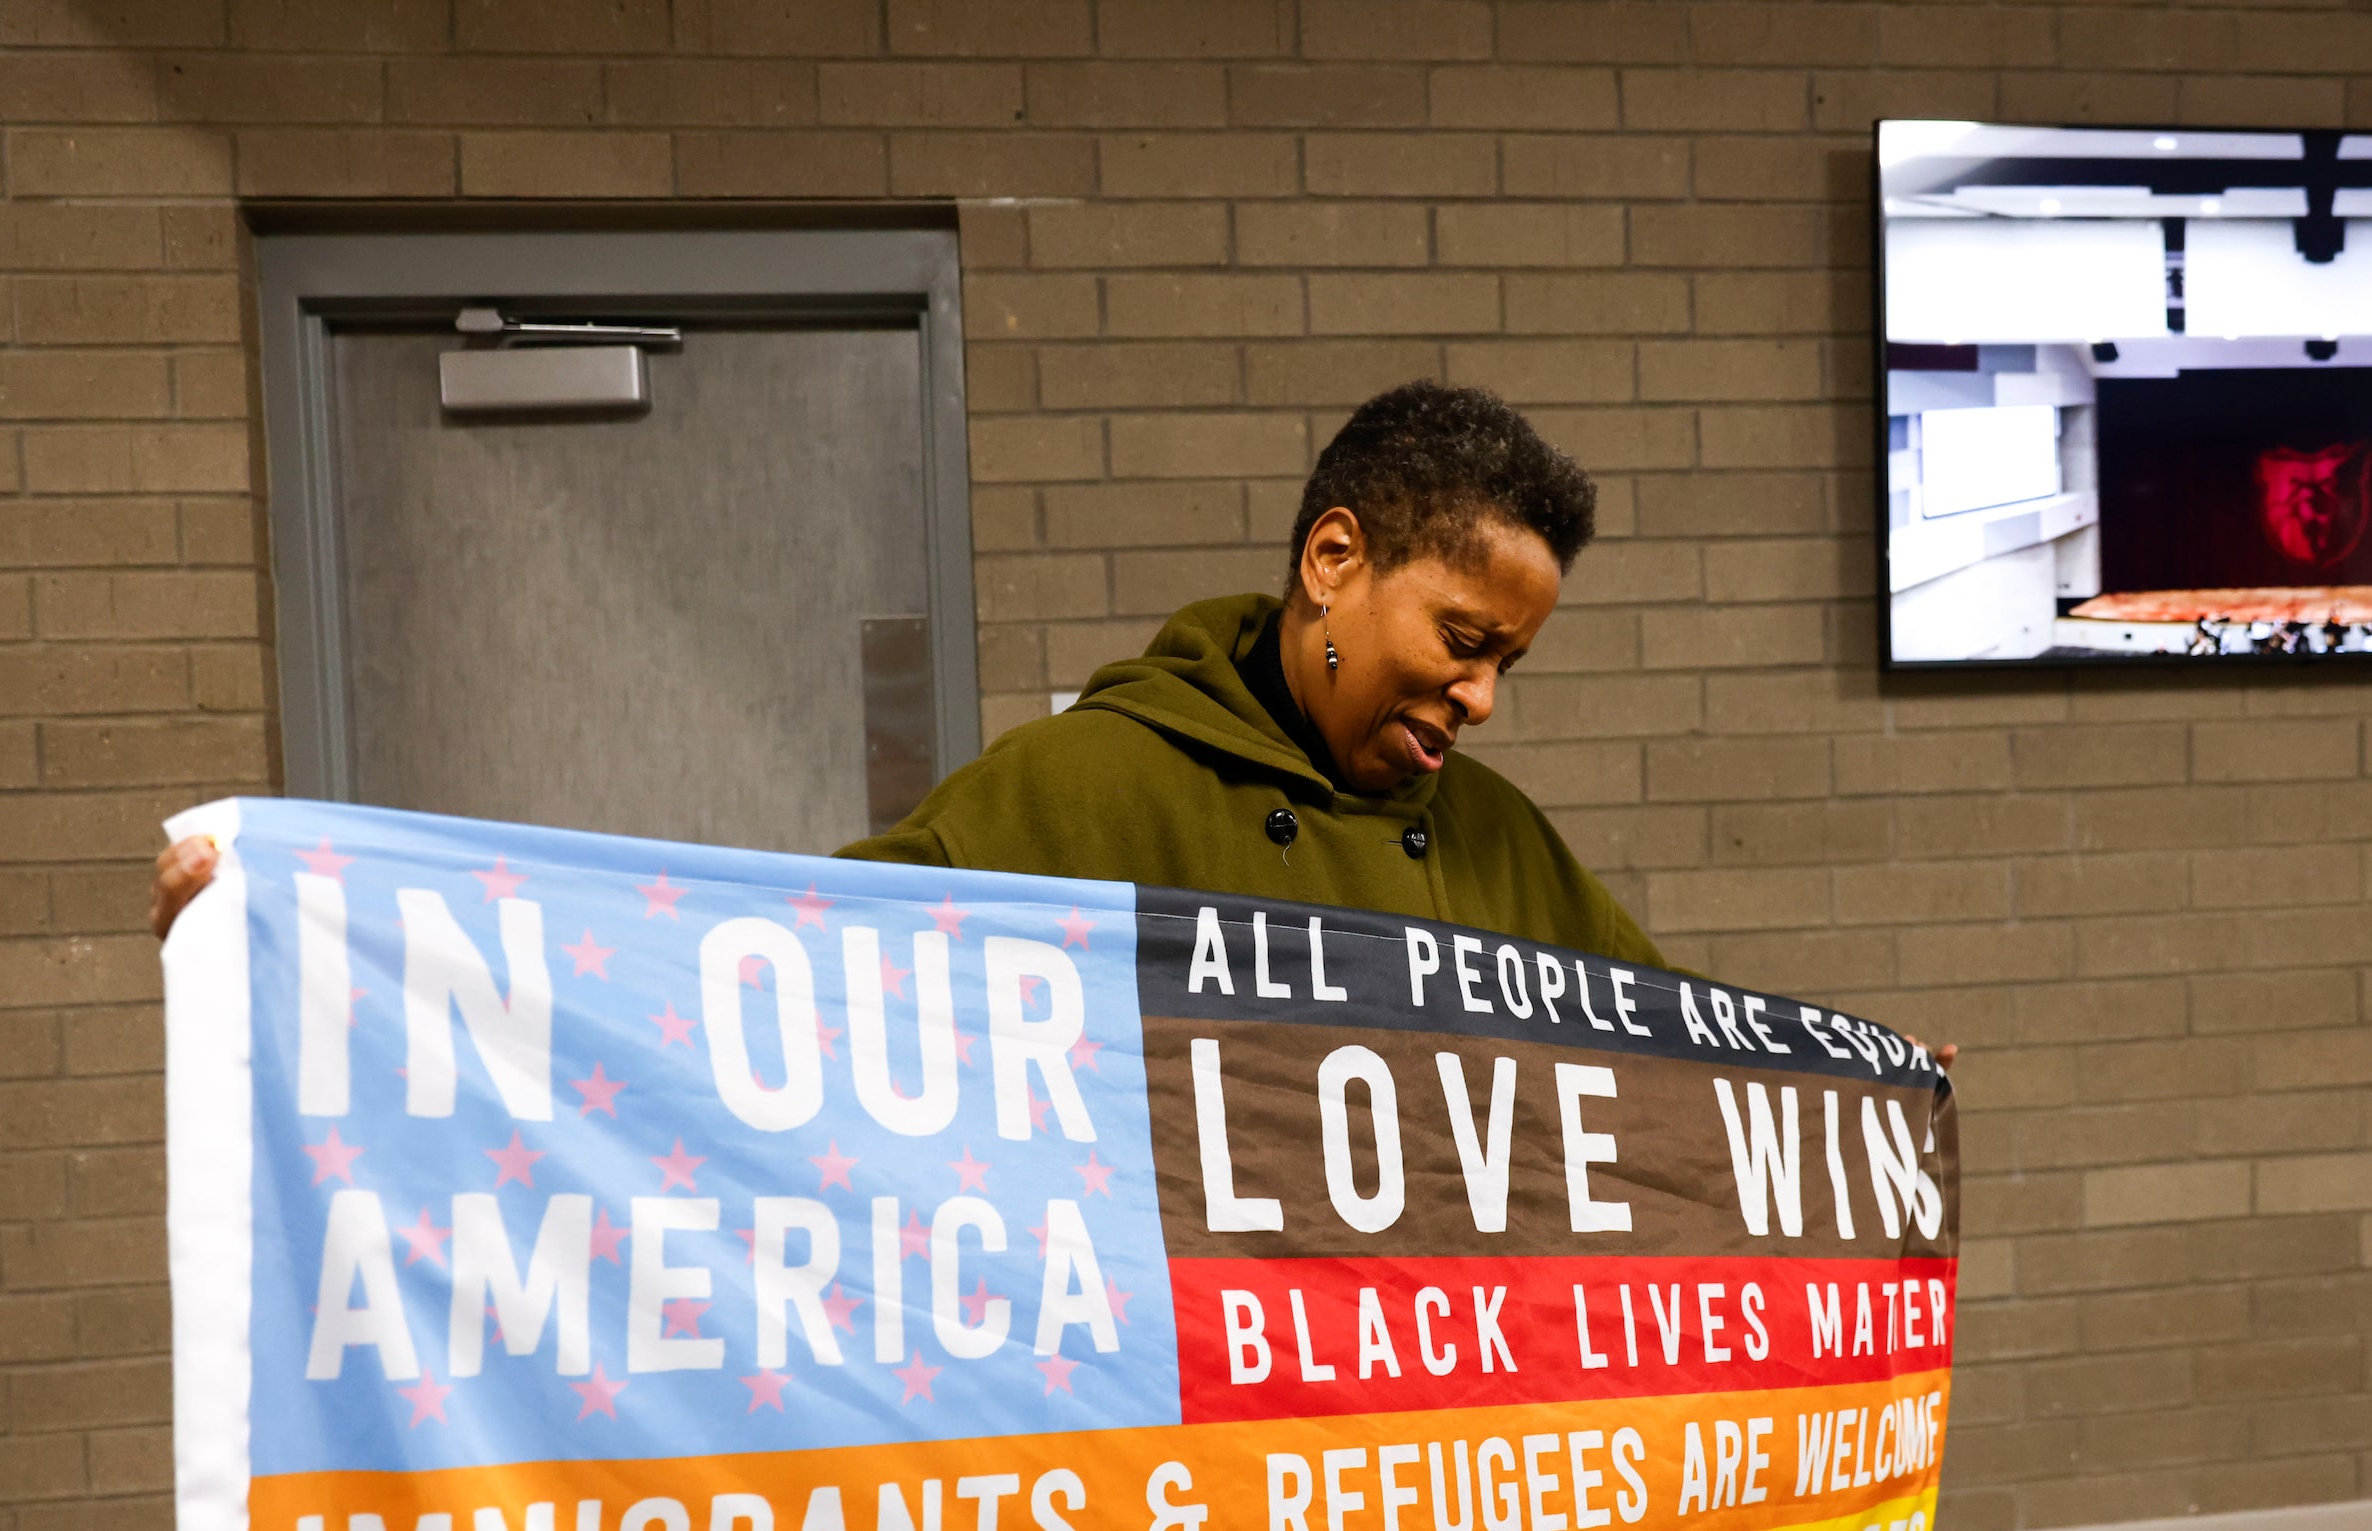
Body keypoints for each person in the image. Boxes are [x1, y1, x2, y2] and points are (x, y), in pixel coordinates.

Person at [149, 380, 1954, 1068]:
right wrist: (310, 914)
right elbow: (752, 969)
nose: (1478, 700)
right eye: (1460, 640)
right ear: (1336, 559)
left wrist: (1875, 1087)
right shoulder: (1083, 784)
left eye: (1510, 671)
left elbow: (1688, 1059)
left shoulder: (1498, 846)